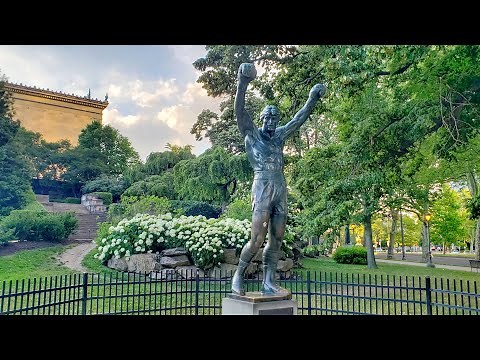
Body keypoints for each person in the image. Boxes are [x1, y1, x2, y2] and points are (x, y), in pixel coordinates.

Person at [231, 62, 326, 295]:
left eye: (275, 119)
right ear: (262, 118)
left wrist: (313, 98)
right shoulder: (251, 134)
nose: (272, 123)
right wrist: (243, 82)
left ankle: (268, 281)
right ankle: (238, 276)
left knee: (277, 238)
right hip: (262, 185)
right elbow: (240, 111)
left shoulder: (280, 136)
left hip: (280, 186)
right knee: (257, 238)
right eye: (268, 118)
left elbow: (299, 119)